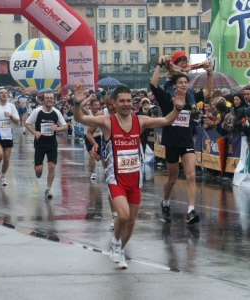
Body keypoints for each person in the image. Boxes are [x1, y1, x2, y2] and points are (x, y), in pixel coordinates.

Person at [73, 83, 186, 270]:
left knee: (132, 221)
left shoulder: (140, 121)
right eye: (122, 101)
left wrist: (178, 108)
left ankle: (119, 250)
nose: (126, 104)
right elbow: (81, 118)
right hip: (115, 178)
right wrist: (77, 105)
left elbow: (166, 121)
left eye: (129, 101)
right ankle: (116, 242)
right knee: (123, 216)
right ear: (114, 103)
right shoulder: (107, 121)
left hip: (135, 178)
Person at [151, 56, 213, 224]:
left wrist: (210, 73)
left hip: (187, 143)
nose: (184, 85)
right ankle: (165, 202)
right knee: (172, 178)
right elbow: (153, 85)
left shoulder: (190, 100)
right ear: (174, 86)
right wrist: (159, 65)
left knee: (191, 176)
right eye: (180, 83)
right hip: (171, 142)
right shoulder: (167, 100)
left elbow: (207, 92)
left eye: (186, 82)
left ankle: (191, 211)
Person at [25, 91, 68, 199]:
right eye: (47, 98)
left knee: (52, 166)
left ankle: (48, 189)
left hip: (52, 144)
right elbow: (27, 123)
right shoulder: (37, 111)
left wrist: (57, 128)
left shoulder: (56, 112)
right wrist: (35, 132)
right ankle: (37, 170)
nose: (49, 100)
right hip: (40, 144)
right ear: (43, 100)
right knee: (39, 169)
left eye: (51, 98)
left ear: (54, 100)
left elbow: (65, 126)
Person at [86, 91, 118, 231]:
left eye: (112, 103)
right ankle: (115, 216)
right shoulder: (101, 114)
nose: (110, 106)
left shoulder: (127, 112)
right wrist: (95, 144)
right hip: (107, 149)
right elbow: (89, 132)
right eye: (107, 103)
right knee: (112, 184)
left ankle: (123, 214)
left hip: (124, 151)